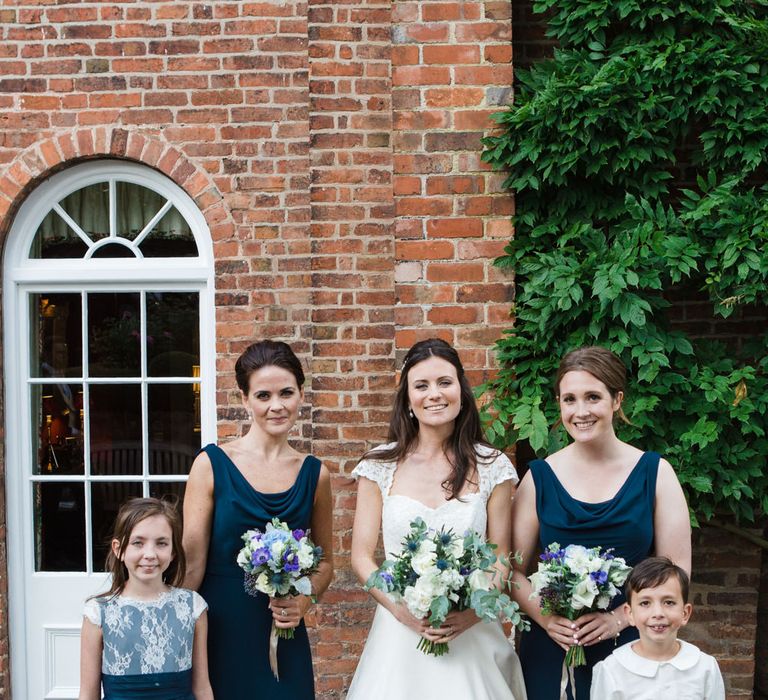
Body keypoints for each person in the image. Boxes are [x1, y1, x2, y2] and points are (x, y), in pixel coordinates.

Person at [346, 338, 527, 700]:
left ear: (461, 390)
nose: (435, 394)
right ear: (408, 398)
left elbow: (501, 555)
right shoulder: (379, 466)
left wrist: (472, 613)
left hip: (470, 629)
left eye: (445, 382)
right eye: (422, 385)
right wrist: (402, 612)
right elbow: (361, 557)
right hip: (400, 634)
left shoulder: (492, 466)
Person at [512, 346, 692, 700]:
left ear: (617, 400)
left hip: (633, 642)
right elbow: (513, 572)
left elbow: (677, 569)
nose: (580, 412)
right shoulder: (538, 478)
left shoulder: (655, 474)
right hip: (554, 646)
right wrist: (549, 620)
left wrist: (619, 620)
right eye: (569, 399)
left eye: (593, 397)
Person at [183, 339, 333, 699]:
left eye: (286, 392)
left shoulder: (315, 474)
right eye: (263, 395)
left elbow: (326, 562)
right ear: (244, 399)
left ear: (300, 393)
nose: (277, 406)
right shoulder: (211, 466)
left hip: (282, 631)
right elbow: (191, 566)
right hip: (219, 628)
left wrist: (303, 602)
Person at [79, 497, 213, 700]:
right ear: (119, 549)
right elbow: (88, 694)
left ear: (173, 551)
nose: (149, 554)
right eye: (138, 543)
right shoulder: (98, 613)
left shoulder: (193, 607)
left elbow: (202, 687)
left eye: (161, 543)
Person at [591, 557, 725, 699]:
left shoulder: (705, 667)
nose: (658, 613)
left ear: (685, 613)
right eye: (645, 603)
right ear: (629, 614)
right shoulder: (612, 670)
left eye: (668, 602)